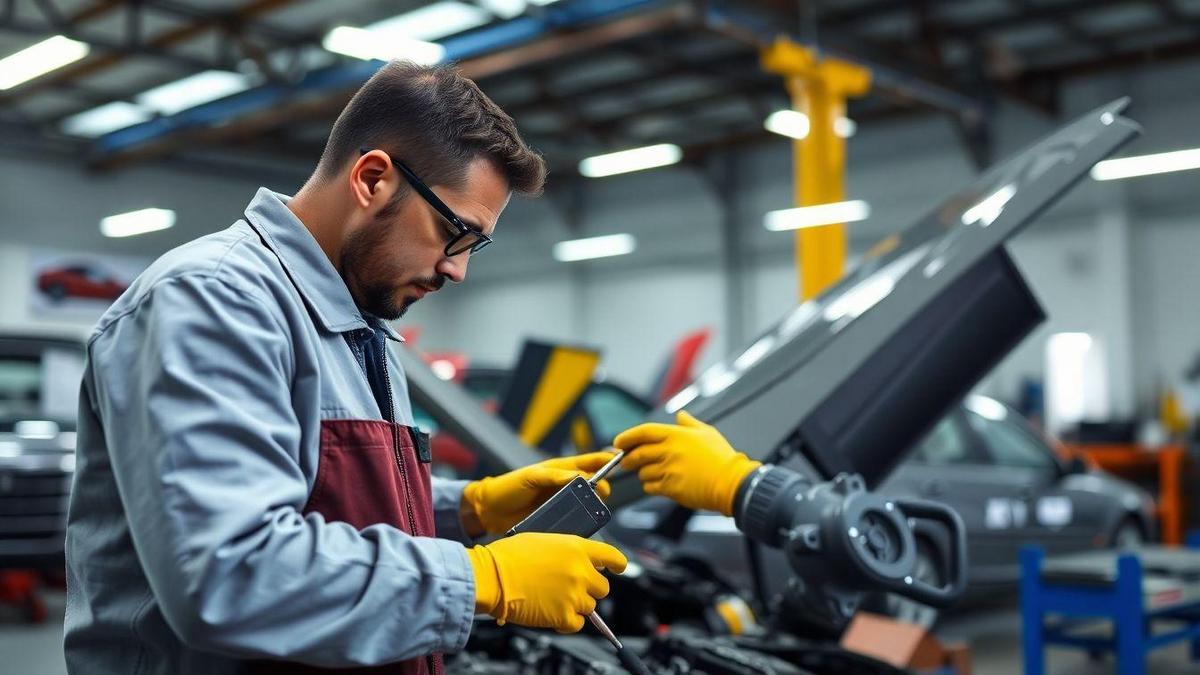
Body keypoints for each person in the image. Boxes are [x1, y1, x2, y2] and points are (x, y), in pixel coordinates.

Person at [65, 61, 626, 675]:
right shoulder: (212, 301)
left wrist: (471, 507)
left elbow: (327, 500)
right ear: (373, 179)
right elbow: (230, 573)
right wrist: (481, 577)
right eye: (454, 232)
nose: (457, 270)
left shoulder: (361, 322)